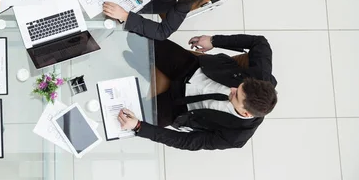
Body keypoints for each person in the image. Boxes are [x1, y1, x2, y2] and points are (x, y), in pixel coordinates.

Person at [118, 34, 278, 151]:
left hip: (179, 107)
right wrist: (214, 41)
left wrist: (139, 126)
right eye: (240, 86)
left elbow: (187, 141)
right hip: (190, 68)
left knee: (121, 116)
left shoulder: (236, 136)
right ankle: (146, 67)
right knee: (133, 38)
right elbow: (260, 42)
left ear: (246, 113)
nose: (233, 89)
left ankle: (145, 68)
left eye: (236, 95)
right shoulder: (262, 78)